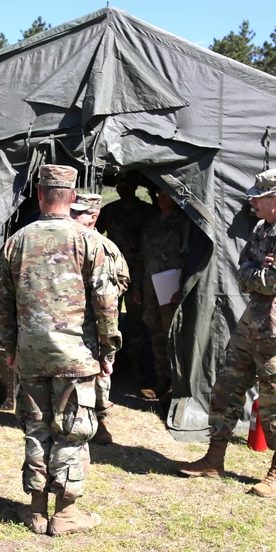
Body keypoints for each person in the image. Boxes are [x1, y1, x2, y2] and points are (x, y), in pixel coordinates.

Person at [0, 165, 121, 536]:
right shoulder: (90, 241)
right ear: (72, 197)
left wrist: (9, 347)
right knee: (72, 432)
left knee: (36, 429)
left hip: (31, 354)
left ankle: (35, 510)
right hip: (77, 357)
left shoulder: (17, 240)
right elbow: (107, 303)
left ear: (40, 196)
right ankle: (64, 514)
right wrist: (108, 352)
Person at [178, 168, 276, 498]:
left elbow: (271, 281)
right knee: (225, 388)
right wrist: (257, 269)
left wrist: (257, 271)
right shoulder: (261, 227)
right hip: (251, 324)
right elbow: (243, 273)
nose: (252, 202)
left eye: (258, 197)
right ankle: (214, 460)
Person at [70, 192, 130, 446]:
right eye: (71, 211)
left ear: (94, 217)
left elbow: (123, 279)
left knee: (100, 371)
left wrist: (102, 295)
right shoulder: (67, 240)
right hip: (72, 322)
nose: (72, 216)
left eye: (78, 213)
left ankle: (101, 417)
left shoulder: (106, 247)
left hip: (97, 321)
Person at [96, 171, 156, 383]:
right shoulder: (110, 210)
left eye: (127, 184)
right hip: (112, 274)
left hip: (137, 274)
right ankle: (108, 364)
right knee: (107, 318)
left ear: (134, 187)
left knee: (136, 321)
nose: (123, 189)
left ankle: (135, 366)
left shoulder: (146, 211)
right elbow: (93, 233)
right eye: (120, 185)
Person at [138, 186, 187, 400]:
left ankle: (175, 383)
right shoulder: (151, 222)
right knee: (155, 330)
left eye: (167, 194)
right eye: (159, 194)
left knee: (172, 334)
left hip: (172, 285)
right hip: (151, 284)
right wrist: (137, 287)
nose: (162, 198)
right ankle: (161, 381)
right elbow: (142, 256)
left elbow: (190, 257)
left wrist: (182, 286)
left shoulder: (184, 223)